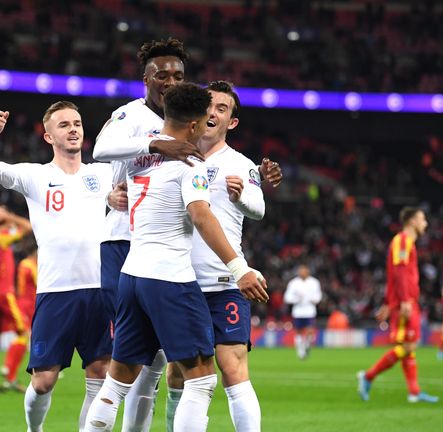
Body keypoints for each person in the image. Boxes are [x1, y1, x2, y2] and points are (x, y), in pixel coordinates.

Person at [93, 39, 282, 432]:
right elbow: (200, 214)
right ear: (194, 123)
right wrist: (240, 267)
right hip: (173, 279)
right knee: (202, 379)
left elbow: (115, 162)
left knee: (118, 380)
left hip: (133, 273)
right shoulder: (187, 160)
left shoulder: (137, 155)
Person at [0, 101, 113, 432]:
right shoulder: (36, 176)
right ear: (48, 135)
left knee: (99, 373)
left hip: (99, 289)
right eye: (64, 124)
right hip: (56, 292)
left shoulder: (102, 173)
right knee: (43, 381)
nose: (73, 129)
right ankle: (34, 429)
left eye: (77, 123)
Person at [163, 80, 279, 432]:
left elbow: (258, 209)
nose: (214, 112)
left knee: (232, 368)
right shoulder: (173, 154)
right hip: (180, 280)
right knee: (177, 373)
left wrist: (242, 195)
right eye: (210, 105)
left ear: (232, 122)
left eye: (222, 109)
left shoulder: (241, 165)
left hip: (225, 280)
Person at [357, 207, 438, 404]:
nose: (425, 223)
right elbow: (400, 272)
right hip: (406, 301)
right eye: (422, 219)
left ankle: (414, 391)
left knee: (408, 346)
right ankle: (368, 377)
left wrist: (388, 302)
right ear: (411, 221)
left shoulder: (406, 242)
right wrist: (402, 301)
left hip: (406, 300)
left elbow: (393, 274)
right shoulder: (402, 241)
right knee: (409, 345)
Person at [0, 205, 32, 393]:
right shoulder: (2, 238)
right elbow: (27, 227)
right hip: (3, 294)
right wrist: (11, 215)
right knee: (24, 333)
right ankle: (10, 376)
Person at [1, 238, 39, 392]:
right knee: (24, 336)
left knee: (28, 337)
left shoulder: (27, 264)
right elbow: (39, 281)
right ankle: (8, 368)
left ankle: (10, 372)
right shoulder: (28, 264)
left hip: (31, 305)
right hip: (25, 306)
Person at [284, 264, 322, 360]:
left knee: (310, 331)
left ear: (308, 272)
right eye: (301, 271)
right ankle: (300, 351)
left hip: (310, 311)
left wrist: (314, 299)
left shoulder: (314, 282)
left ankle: (307, 346)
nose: (302, 273)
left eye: (304, 271)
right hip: (298, 311)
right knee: (299, 332)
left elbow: (318, 296)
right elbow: (287, 298)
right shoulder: (293, 283)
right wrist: (296, 299)